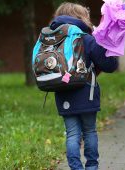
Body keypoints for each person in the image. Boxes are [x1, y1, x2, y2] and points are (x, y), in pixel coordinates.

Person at [50, 2, 118, 170]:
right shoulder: (86, 39)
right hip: (87, 93)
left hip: (63, 93)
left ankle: (75, 168)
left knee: (72, 133)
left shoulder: (53, 40)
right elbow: (109, 65)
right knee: (89, 131)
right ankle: (92, 167)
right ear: (81, 18)